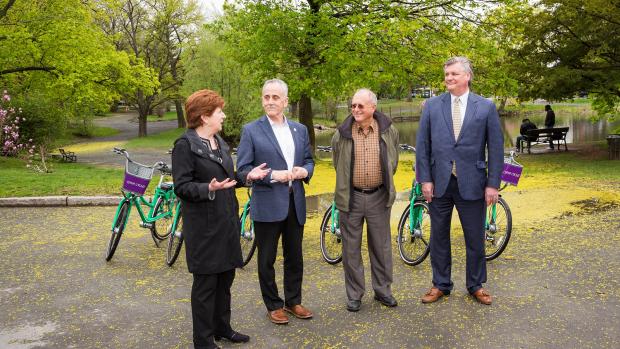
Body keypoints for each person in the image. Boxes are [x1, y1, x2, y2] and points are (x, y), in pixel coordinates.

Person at [172, 89, 269, 349]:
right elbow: (181, 186)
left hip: (226, 221)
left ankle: (221, 327)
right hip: (203, 228)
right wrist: (207, 189)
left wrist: (247, 177)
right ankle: (203, 341)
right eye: (219, 112)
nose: (224, 115)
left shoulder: (219, 142)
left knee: (225, 279)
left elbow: (227, 179)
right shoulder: (185, 145)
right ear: (204, 117)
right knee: (206, 285)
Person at [416, 56, 503, 305]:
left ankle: (476, 285)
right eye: (446, 74)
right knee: (438, 236)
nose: (449, 78)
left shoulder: (485, 107)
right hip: (439, 183)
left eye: (454, 74)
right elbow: (423, 146)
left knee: (474, 237)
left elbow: (495, 149)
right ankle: (440, 284)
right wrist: (425, 180)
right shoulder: (432, 106)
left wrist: (492, 184)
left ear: (467, 76)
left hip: (473, 183)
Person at [236, 79, 315, 325]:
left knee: (295, 257)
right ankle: (273, 304)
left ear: (285, 102)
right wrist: (271, 175)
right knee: (266, 259)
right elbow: (243, 170)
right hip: (268, 204)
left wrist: (305, 171)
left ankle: (293, 301)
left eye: (275, 97)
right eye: (266, 97)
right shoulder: (251, 130)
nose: (270, 101)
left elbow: (309, 160)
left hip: (295, 202)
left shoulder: (299, 130)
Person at [331, 88, 399, 312]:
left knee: (381, 246)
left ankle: (383, 291)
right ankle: (354, 295)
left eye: (360, 106)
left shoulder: (388, 131)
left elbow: (393, 162)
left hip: (379, 196)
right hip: (351, 197)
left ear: (373, 107)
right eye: (353, 106)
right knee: (350, 249)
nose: (356, 110)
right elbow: (337, 162)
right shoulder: (341, 134)